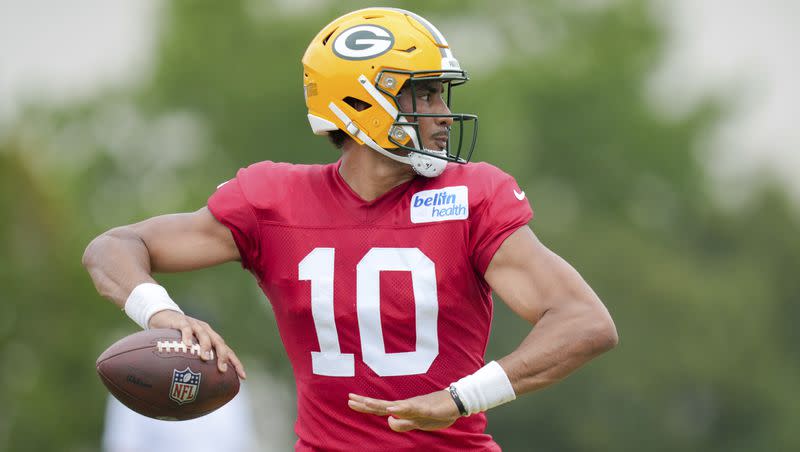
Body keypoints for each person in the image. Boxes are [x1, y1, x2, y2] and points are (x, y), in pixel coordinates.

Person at [83, 7, 618, 451]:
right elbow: (113, 247)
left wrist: (461, 397)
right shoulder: (272, 201)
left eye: (441, 95)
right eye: (425, 95)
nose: (442, 115)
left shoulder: (470, 197)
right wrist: (164, 314)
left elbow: (584, 321)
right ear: (361, 102)